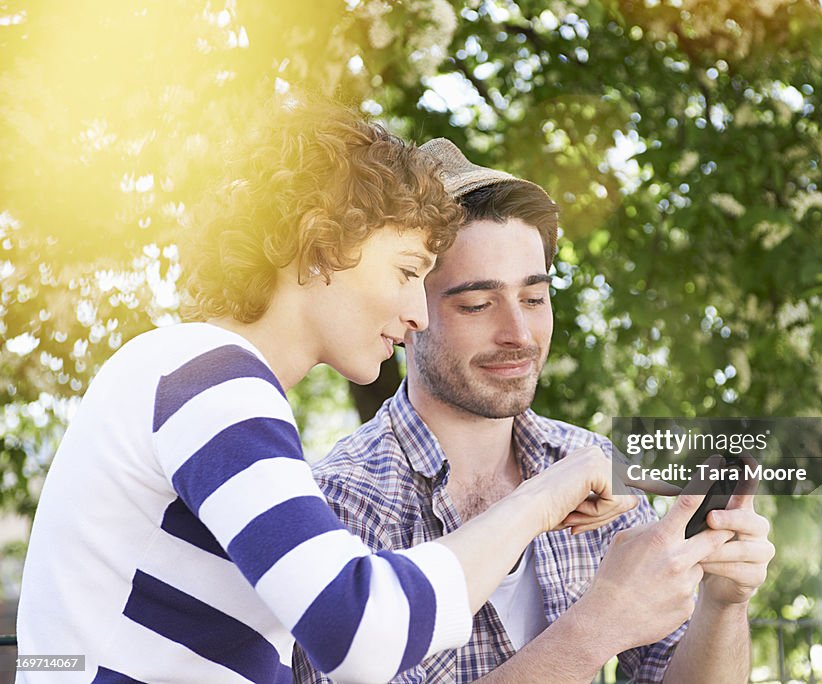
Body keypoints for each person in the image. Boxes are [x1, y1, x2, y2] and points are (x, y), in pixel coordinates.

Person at [15, 100, 638, 683]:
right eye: (404, 271)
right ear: (320, 251)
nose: (418, 312)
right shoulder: (206, 375)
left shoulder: (195, 376)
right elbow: (358, 629)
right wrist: (546, 497)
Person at [294, 139, 776, 683]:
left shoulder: (591, 464)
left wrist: (723, 603)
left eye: (534, 298)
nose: (518, 335)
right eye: (476, 304)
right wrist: (597, 626)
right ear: (407, 312)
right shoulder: (343, 504)